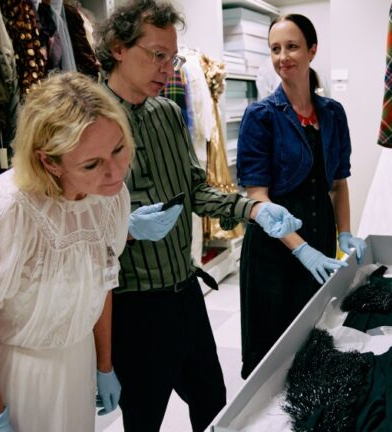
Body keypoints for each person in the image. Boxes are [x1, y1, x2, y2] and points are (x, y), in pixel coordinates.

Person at [93, 1, 302, 431]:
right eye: (157, 55)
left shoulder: (168, 113)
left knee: (213, 402)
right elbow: (69, 220)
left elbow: (196, 190)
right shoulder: (86, 121)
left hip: (185, 293)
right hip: (131, 304)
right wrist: (123, 228)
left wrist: (254, 209)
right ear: (117, 47)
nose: (168, 68)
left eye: (172, 57)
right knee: (143, 416)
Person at [0, 72, 136, 431]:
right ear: (49, 162)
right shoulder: (7, 210)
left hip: (75, 365)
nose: (115, 172)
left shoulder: (109, 198)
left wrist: (104, 365)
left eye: (119, 148)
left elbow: (100, 283)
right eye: (91, 164)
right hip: (11, 375)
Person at [236, 14, 367, 379]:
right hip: (274, 245)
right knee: (272, 351)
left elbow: (339, 184)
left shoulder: (332, 113)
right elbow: (257, 197)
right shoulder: (260, 116)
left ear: (312, 50)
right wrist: (300, 248)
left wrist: (344, 234)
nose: (282, 57)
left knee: (312, 337)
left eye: (291, 46)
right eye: (275, 49)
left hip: (321, 234)